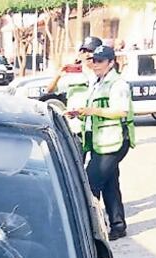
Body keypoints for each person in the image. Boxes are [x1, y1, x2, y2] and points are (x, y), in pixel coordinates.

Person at [66, 45, 135, 241]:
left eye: (100, 61)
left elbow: (121, 111)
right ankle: (117, 226)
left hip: (113, 141)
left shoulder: (118, 84)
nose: (95, 64)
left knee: (89, 186)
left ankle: (89, 231)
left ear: (111, 63)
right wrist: (79, 113)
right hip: (101, 142)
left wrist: (91, 111)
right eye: (93, 61)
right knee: (110, 184)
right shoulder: (99, 82)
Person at [47, 37, 101, 139]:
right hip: (76, 128)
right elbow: (49, 90)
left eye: (91, 51)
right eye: (84, 51)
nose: (87, 54)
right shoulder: (73, 74)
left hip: (97, 127)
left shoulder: (103, 74)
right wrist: (58, 75)